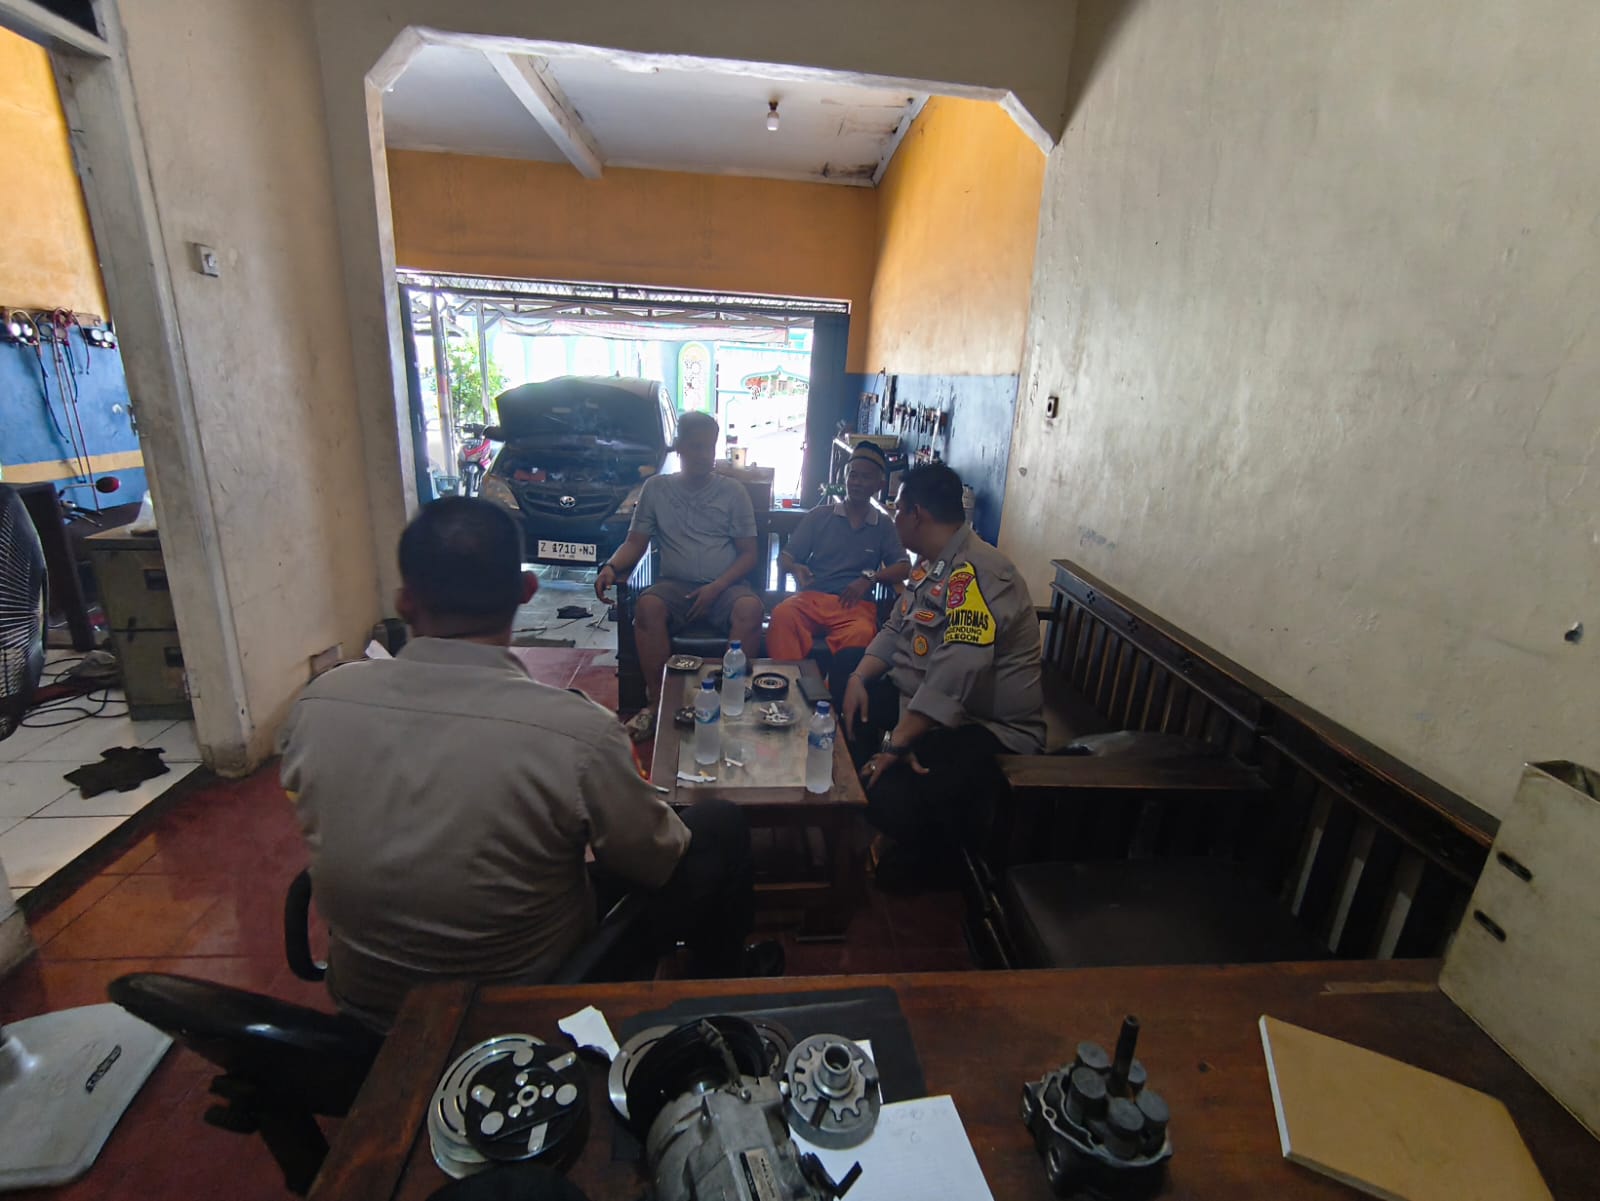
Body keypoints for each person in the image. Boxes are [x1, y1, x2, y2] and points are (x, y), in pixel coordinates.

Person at [280, 497, 778, 1030]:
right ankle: (718, 999)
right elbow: (655, 858)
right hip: (522, 1002)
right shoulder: (576, 731)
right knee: (717, 826)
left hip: (364, 1003)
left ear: (404, 602)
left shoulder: (319, 703)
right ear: (526, 590)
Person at [840, 463, 1045, 886]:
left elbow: (958, 670)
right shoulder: (931, 564)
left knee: (885, 795)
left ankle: (943, 856)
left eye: (898, 509)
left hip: (987, 726)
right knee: (846, 682)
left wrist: (900, 741)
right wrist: (858, 678)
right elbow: (896, 627)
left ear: (917, 514)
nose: (894, 517)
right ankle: (888, 791)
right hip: (933, 707)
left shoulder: (980, 574)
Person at [594, 411, 763, 726]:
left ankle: (731, 700)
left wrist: (716, 587)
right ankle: (658, 704)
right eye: (696, 446)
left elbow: (749, 554)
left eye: (709, 447)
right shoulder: (656, 489)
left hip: (725, 587)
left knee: (750, 609)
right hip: (675, 587)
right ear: (679, 447)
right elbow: (635, 542)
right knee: (647, 607)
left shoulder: (733, 491)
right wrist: (611, 566)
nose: (704, 455)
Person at [766, 443, 910, 701]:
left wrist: (871, 578)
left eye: (865, 477)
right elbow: (786, 556)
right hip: (812, 599)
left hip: (854, 607)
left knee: (863, 633)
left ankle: (831, 701)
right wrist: (795, 567)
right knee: (782, 615)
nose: (857, 482)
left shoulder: (883, 525)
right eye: (853, 475)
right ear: (845, 477)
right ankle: (791, 691)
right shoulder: (819, 516)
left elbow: (903, 567)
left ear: (879, 484)